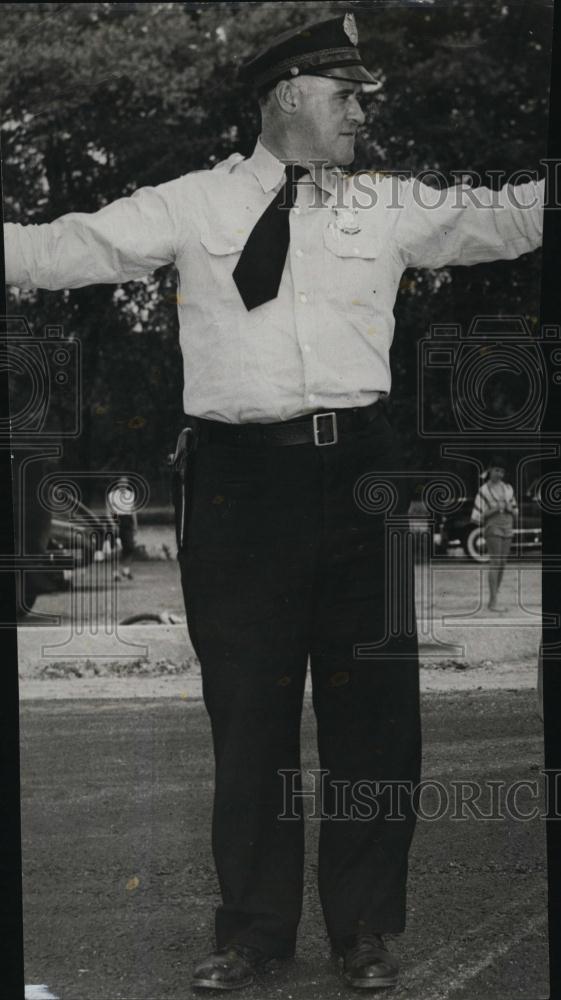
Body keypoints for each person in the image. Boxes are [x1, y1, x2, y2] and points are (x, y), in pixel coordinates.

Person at [3, 13, 544, 992]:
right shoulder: (191, 204)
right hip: (238, 486)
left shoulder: (388, 203)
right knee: (249, 720)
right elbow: (62, 248)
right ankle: (254, 933)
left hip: (362, 480)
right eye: (346, 98)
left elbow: (506, 216)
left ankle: (365, 931)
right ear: (289, 97)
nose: (361, 115)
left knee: (375, 719)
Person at [471, 457, 518, 614]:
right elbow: (477, 517)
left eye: (502, 471)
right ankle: (493, 602)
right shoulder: (484, 490)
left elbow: (516, 512)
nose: (499, 474)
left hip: (508, 527)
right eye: (497, 470)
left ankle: (493, 598)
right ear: (490, 470)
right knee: (496, 562)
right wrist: (495, 509)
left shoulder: (508, 488)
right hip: (493, 527)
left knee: (502, 563)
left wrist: (510, 509)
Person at [105, 476, 138, 581]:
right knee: (116, 548)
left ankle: (126, 570)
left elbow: (133, 510)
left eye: (125, 483)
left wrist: (135, 524)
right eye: (121, 482)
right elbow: (110, 511)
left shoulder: (130, 494)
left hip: (127, 520)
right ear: (118, 484)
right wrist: (114, 523)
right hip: (116, 520)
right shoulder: (112, 495)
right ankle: (115, 573)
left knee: (129, 546)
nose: (123, 485)